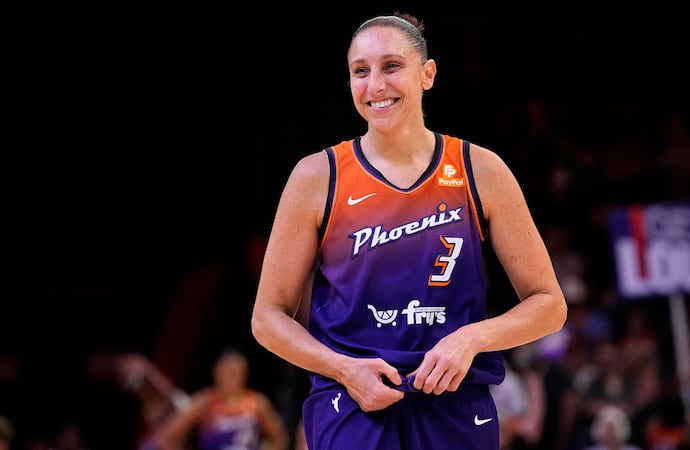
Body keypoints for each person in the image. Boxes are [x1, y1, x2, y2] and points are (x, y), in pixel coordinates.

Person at [250, 12, 567, 450]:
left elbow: (549, 304)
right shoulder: (317, 176)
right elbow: (267, 317)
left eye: (391, 66)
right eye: (360, 71)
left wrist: (472, 338)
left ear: (428, 74)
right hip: (353, 402)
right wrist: (342, 368)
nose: (375, 85)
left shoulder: (480, 169)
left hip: (456, 402)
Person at [154, 347, 289, 450]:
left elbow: (279, 437)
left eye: (239, 373)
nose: (234, 378)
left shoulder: (257, 402)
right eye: (230, 372)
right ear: (217, 373)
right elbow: (167, 437)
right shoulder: (204, 402)